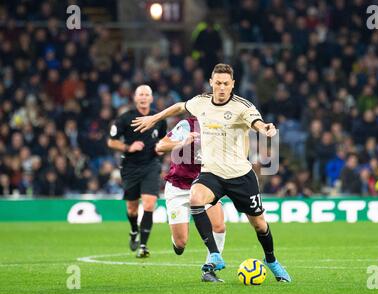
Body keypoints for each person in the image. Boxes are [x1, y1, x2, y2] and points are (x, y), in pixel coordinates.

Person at [132, 64, 291, 282]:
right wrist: (155, 118)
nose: (222, 87)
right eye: (218, 83)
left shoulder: (242, 106)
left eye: (226, 83)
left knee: (260, 224)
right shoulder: (201, 102)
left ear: (233, 84)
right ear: (211, 82)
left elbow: (257, 123)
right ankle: (214, 256)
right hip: (211, 174)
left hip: (240, 175)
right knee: (196, 198)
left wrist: (266, 129)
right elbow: (180, 106)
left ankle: (271, 260)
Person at [155, 116, 226, 282]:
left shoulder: (221, 126)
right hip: (178, 187)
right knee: (181, 243)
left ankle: (209, 270)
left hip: (204, 185)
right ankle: (176, 241)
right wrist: (182, 143)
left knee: (219, 226)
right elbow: (161, 146)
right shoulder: (187, 125)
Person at [107, 85, 167, 258]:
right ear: (135, 98)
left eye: (146, 94)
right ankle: (134, 230)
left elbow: (164, 139)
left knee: (149, 204)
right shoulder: (125, 118)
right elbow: (111, 142)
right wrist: (128, 147)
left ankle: (143, 245)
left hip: (151, 166)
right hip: (131, 167)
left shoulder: (158, 118)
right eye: (140, 94)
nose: (143, 97)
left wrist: (161, 148)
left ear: (151, 98)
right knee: (132, 209)